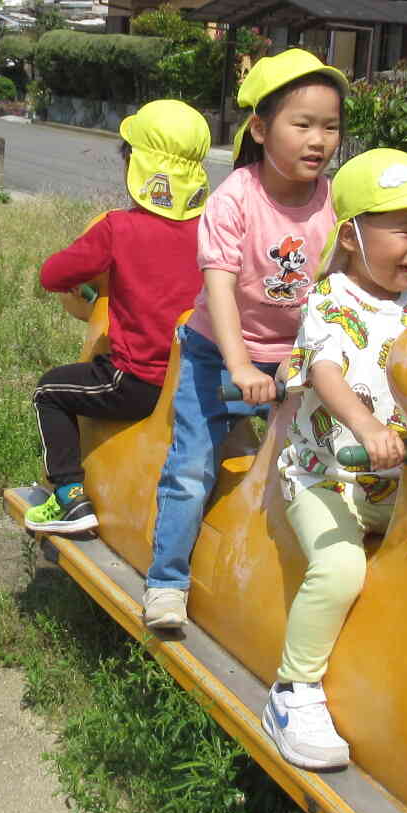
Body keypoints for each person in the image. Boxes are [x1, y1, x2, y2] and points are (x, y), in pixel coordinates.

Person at [139, 47, 346, 631]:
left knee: (312, 464)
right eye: (301, 124)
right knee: (192, 466)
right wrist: (241, 367)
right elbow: (221, 290)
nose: (318, 140)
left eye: (330, 127)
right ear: (260, 127)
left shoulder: (335, 202)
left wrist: (304, 362)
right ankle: (166, 583)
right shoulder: (234, 197)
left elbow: (334, 290)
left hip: (296, 358)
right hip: (217, 351)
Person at [262, 149, 407, 769]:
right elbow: (325, 370)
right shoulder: (331, 300)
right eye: (403, 229)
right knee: (342, 567)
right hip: (327, 478)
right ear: (350, 236)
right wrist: (367, 425)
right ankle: (294, 689)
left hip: (401, 487)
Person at [24, 100, 213, 536]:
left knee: (50, 390)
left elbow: (52, 275)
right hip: (196, 381)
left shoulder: (117, 228)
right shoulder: (214, 230)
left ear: (138, 168)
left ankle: (69, 496)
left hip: (138, 384)